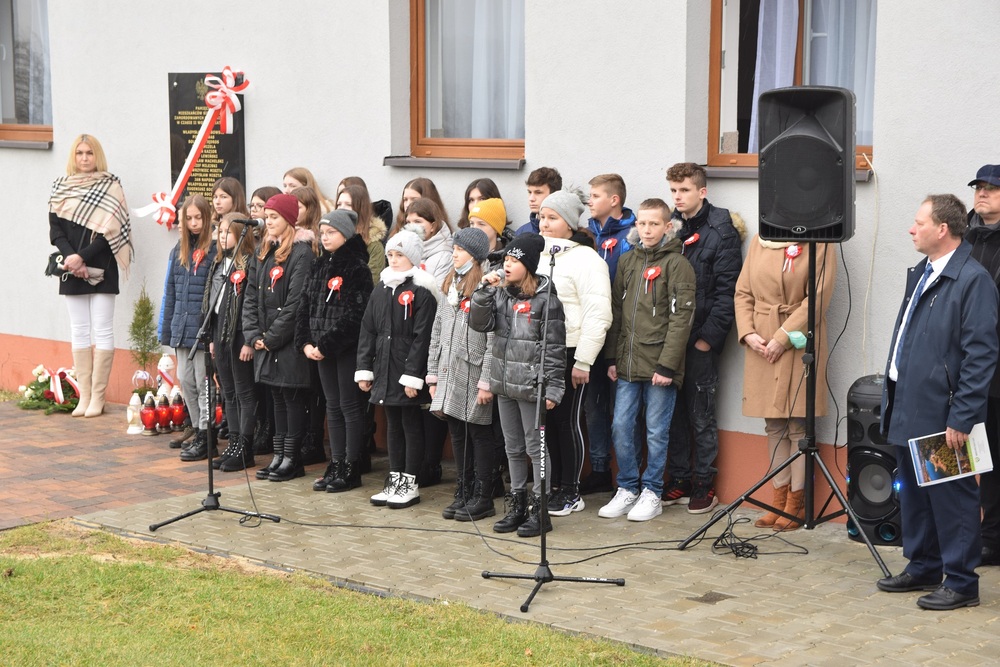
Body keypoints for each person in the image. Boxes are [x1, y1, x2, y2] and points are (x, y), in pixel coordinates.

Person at [877, 194, 998, 611]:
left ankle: (962, 582)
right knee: (913, 492)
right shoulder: (925, 270)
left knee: (953, 497)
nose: (912, 229)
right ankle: (924, 565)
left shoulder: (972, 279)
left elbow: (981, 354)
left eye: (918, 222)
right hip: (909, 402)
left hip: (945, 412)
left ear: (941, 229)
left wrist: (962, 415)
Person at [598, 199, 696, 522]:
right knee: (621, 425)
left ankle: (652, 490)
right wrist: (612, 356)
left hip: (660, 367)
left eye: (655, 224)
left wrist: (667, 366)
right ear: (635, 225)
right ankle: (627, 487)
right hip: (626, 363)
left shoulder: (678, 265)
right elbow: (615, 310)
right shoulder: (627, 261)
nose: (648, 230)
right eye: (642, 223)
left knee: (656, 429)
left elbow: (682, 319)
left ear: (668, 227)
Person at [734, 235, 836, 531]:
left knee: (797, 426)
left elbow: (817, 297)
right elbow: (742, 292)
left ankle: (795, 503)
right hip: (760, 341)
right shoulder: (759, 241)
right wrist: (747, 332)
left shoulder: (821, 244)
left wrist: (782, 337)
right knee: (774, 424)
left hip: (797, 339)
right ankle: (777, 500)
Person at [470, 233, 567, 538]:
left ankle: (540, 510)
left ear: (529, 265)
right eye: (505, 260)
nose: (507, 265)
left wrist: (552, 388)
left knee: (535, 446)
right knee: (512, 447)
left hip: (531, 387)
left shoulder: (546, 300)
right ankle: (517, 505)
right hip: (504, 384)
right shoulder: (500, 293)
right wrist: (484, 289)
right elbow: (479, 323)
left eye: (513, 260)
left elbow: (554, 347)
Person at [663, 162, 743, 514]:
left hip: (699, 340)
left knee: (701, 413)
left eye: (683, 190)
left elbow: (728, 292)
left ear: (702, 191)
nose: (677, 198)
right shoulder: (671, 228)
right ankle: (678, 477)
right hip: (670, 340)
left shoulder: (721, 229)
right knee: (674, 413)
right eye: (673, 191)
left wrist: (707, 340)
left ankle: (703, 483)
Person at [535, 189, 612, 517]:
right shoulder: (537, 255)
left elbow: (598, 313)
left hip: (571, 351)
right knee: (546, 422)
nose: (545, 223)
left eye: (552, 218)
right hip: (541, 352)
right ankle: (553, 486)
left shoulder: (586, 259)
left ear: (569, 223)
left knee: (567, 421)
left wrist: (583, 360)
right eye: (541, 216)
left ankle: (571, 490)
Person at [49, 134, 132, 419]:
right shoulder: (60, 187)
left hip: (102, 267)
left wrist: (82, 256)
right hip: (71, 267)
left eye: (89, 153)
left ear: (97, 156)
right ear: (74, 156)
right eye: (80, 153)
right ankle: (84, 396)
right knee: (79, 329)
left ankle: (98, 397)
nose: (84, 158)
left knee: (103, 329)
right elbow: (55, 230)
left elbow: (113, 232)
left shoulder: (111, 187)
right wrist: (72, 258)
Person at [356, 227, 440, 509]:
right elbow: (368, 329)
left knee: (410, 425)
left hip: (406, 371)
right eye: (390, 253)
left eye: (400, 254)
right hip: (385, 369)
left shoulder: (421, 292)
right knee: (393, 424)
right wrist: (365, 369)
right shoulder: (381, 289)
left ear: (413, 258)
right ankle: (394, 480)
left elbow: (422, 338)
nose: (393, 259)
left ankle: (410, 482)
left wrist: (413, 376)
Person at [297, 209, 374, 493]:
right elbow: (305, 305)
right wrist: (306, 342)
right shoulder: (318, 265)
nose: (325, 237)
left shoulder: (357, 267)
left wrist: (326, 344)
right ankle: (337, 462)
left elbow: (356, 314)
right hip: (319, 350)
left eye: (331, 232)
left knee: (349, 406)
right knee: (332, 406)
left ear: (345, 234)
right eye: (323, 233)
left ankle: (351, 466)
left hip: (344, 349)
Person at [243, 193, 316, 482]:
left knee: (291, 398)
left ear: (288, 219)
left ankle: (292, 458)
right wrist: (252, 335)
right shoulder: (264, 251)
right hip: (264, 340)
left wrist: (270, 338)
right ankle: (278, 455)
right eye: (267, 216)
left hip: (287, 343)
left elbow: (296, 303)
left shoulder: (302, 253)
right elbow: (250, 297)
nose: (267, 221)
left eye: (273, 217)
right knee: (276, 399)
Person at [427, 227, 497, 521]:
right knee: (457, 432)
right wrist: (432, 373)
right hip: (449, 370)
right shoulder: (449, 286)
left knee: (478, 434)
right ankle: (463, 490)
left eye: (460, 250)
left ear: (476, 256)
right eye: (454, 248)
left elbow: (494, 338)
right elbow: (437, 330)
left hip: (474, 371)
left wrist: (487, 381)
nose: (454, 254)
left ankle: (484, 495)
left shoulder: (486, 289)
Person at [579, 173, 636, 496]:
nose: (590, 201)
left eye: (596, 195)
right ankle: (599, 469)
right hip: (590, 333)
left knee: (623, 411)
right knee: (593, 406)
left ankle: (629, 476)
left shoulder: (631, 235)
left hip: (620, 336)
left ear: (614, 200)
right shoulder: (588, 234)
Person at [160, 194, 218, 462]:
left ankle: (208, 436)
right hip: (182, 329)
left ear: (207, 219)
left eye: (198, 218)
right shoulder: (178, 250)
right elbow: (170, 293)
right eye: (189, 218)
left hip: (202, 330)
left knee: (201, 382)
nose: (194, 223)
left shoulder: (214, 251)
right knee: (185, 380)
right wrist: (168, 330)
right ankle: (197, 429)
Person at [964, 164, 1000, 567]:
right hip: (974, 371)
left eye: (992, 189)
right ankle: (989, 538)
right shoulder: (966, 238)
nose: (983, 194)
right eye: (979, 188)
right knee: (984, 460)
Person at [203, 213, 258, 472]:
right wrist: (213, 338)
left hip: (239, 335)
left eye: (227, 232)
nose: (221, 236)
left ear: (240, 234)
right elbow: (214, 306)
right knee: (229, 392)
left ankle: (245, 446)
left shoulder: (248, 264)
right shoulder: (219, 265)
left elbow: (250, 305)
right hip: (221, 335)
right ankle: (233, 441)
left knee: (244, 391)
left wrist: (249, 340)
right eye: (219, 232)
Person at [337, 184, 388, 284]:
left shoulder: (374, 246)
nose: (341, 209)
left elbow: (371, 283)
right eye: (339, 204)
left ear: (360, 208)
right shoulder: (331, 239)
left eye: (348, 204)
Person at [403, 198, 454, 283]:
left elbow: (440, 293)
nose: (411, 227)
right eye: (408, 222)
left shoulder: (444, 257)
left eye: (417, 221)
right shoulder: (404, 250)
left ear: (433, 226)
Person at [515, 167, 562, 236]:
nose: (531, 198)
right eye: (530, 192)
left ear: (554, 194)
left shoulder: (565, 232)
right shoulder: (522, 233)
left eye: (538, 193)